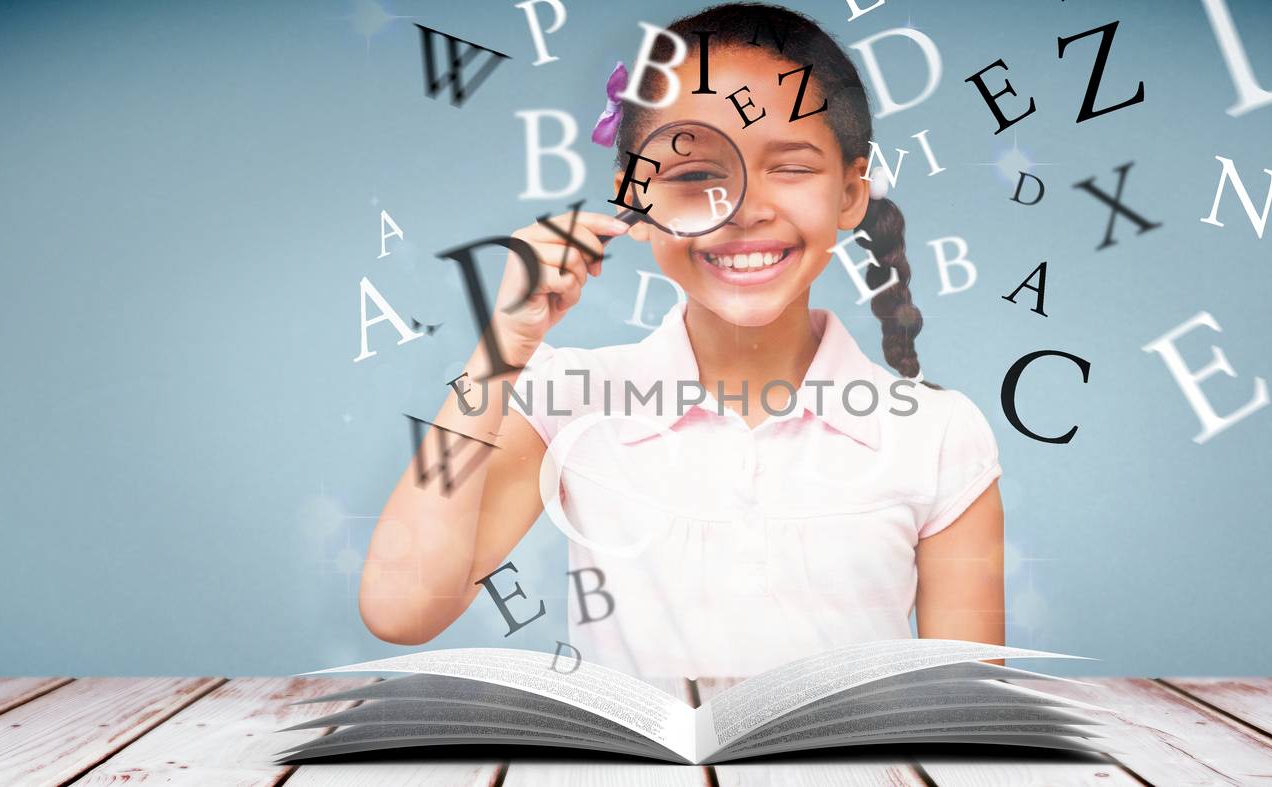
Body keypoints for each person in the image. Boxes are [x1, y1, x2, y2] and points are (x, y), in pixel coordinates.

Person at [359, 2, 1005, 679]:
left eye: (789, 167)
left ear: (850, 193)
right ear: (634, 197)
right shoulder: (567, 399)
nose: (747, 209)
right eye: (696, 176)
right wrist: (500, 352)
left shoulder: (938, 434)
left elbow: (969, 705)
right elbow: (401, 608)